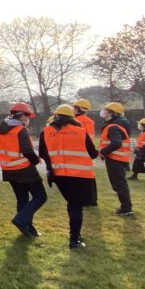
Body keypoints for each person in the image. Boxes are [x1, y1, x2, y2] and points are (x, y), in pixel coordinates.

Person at [40, 105, 99, 249]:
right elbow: (93, 153)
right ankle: (74, 239)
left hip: (59, 175)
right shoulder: (80, 131)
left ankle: (75, 234)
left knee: (72, 203)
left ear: (55, 116)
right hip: (80, 175)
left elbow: (42, 153)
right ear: (72, 117)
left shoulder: (45, 132)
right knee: (76, 206)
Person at [0, 101, 46, 238]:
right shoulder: (20, 130)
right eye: (27, 115)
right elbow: (28, 151)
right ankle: (21, 220)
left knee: (22, 199)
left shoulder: (1, 129)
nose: (28, 118)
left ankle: (27, 228)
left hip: (8, 170)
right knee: (40, 196)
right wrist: (36, 161)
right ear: (22, 115)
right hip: (24, 170)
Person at [99, 102, 134, 216]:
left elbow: (116, 143)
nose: (103, 112)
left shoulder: (113, 127)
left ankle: (126, 208)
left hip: (115, 159)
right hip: (119, 159)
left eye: (106, 110)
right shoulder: (118, 124)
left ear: (112, 113)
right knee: (119, 184)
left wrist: (103, 152)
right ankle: (126, 206)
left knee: (119, 184)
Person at [72, 98, 99, 207]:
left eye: (74, 107)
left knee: (80, 177)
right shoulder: (89, 121)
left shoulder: (77, 121)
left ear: (78, 109)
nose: (72, 109)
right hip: (87, 150)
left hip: (79, 151)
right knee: (89, 176)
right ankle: (92, 200)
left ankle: (85, 200)